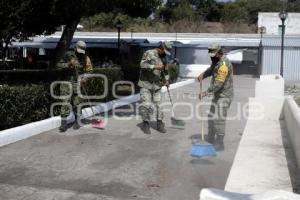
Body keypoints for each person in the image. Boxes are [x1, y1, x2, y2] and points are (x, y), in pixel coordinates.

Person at [197, 43, 233, 151]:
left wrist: (205, 93)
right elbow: (211, 69)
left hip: (224, 95)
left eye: (213, 54)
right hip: (217, 95)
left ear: (219, 52)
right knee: (211, 116)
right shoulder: (216, 61)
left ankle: (220, 142)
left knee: (219, 118)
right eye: (211, 55)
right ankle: (211, 137)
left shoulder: (224, 65)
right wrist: (203, 75)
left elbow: (219, 83)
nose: (211, 57)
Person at [57, 40, 93, 132]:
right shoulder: (68, 55)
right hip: (66, 83)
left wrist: (84, 79)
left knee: (77, 103)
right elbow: (58, 65)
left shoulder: (85, 58)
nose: (80, 53)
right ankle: (63, 124)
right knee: (65, 102)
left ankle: (77, 121)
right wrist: (68, 64)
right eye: (79, 50)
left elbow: (90, 71)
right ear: (75, 47)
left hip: (77, 83)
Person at [138, 41, 172, 134]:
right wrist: (155, 66)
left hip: (157, 85)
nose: (165, 54)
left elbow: (166, 71)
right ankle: (145, 123)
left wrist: (167, 80)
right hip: (146, 84)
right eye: (165, 51)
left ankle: (160, 123)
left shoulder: (164, 57)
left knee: (159, 105)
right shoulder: (149, 53)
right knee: (146, 105)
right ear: (161, 48)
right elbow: (142, 65)